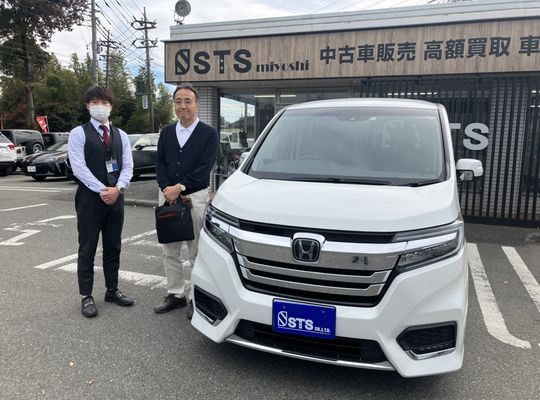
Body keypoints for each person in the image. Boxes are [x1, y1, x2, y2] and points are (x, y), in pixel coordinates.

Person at [67, 86, 134, 318]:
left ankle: (112, 290)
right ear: (88, 106)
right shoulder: (78, 133)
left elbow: (128, 166)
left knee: (113, 246)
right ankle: (86, 295)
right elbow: (79, 167)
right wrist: (103, 190)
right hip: (90, 198)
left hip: (116, 197)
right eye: (95, 102)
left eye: (104, 103)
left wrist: (118, 189)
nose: (100, 107)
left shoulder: (121, 135)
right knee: (87, 248)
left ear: (111, 106)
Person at [154, 83, 218, 319]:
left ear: (197, 104)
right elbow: (159, 163)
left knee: (196, 250)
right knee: (170, 249)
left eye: (188, 101)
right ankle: (175, 294)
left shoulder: (208, 134)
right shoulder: (166, 133)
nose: (182, 106)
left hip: (195, 196)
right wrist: (166, 188)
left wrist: (180, 187)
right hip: (167, 196)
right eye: (178, 101)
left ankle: (195, 297)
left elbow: (204, 168)